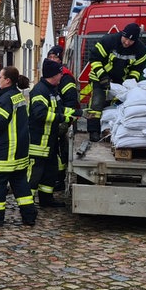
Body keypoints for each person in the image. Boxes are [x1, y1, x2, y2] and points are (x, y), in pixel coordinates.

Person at [0, 66, 37, 227]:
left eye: (0, 77)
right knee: (19, 182)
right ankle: (29, 215)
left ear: (7, 80)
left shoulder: (6, 98)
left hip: (6, 149)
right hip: (20, 149)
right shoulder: (17, 96)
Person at [87, 22, 146, 141]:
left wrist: (129, 84)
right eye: (125, 39)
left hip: (120, 83)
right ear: (122, 34)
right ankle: (93, 131)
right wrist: (103, 76)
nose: (127, 43)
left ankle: (110, 132)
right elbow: (94, 59)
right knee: (96, 104)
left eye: (131, 41)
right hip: (99, 77)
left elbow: (137, 70)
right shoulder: (108, 41)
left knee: (117, 107)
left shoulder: (140, 50)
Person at [28, 59, 66, 208]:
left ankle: (46, 199)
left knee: (50, 172)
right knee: (34, 174)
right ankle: (27, 203)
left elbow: (58, 110)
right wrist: (61, 118)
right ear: (53, 75)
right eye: (59, 73)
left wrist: (76, 113)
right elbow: (40, 114)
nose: (61, 76)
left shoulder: (52, 90)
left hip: (50, 141)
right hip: (39, 142)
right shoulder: (39, 91)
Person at [47, 45, 80, 188]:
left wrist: (64, 120)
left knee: (60, 150)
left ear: (61, 60)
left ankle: (59, 179)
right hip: (55, 117)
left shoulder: (65, 78)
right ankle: (56, 177)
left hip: (63, 119)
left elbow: (71, 101)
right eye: (50, 57)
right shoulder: (51, 74)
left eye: (55, 57)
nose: (52, 59)